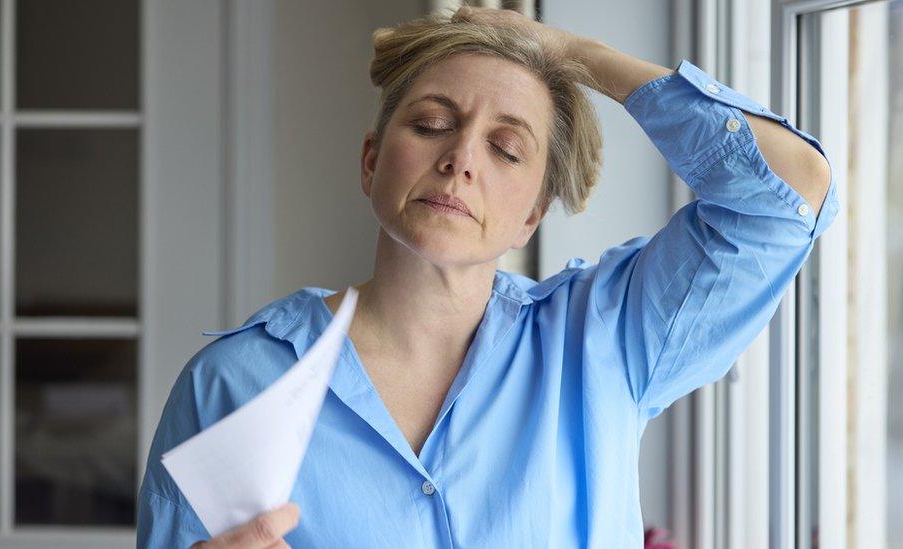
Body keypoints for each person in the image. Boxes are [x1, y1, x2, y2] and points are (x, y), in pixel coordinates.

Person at [137, 6, 838, 548]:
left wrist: (574, 54)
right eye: (433, 123)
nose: (461, 158)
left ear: (533, 214)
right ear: (371, 162)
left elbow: (789, 194)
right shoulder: (231, 385)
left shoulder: (606, 341)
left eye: (506, 148)